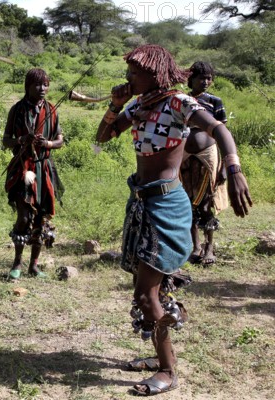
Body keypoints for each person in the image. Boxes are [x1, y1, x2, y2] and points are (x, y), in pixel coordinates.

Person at [95, 44, 252, 396]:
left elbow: (219, 130)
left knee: (145, 293)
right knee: (150, 287)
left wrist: (234, 168)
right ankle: (159, 352)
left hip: (167, 205)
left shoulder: (178, 103)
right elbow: (103, 136)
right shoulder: (138, 106)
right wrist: (116, 105)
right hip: (141, 203)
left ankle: (168, 369)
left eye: (134, 72)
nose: (129, 77)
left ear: (154, 73)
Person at [3, 68, 64, 279]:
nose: (42, 89)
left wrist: (46, 143)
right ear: (27, 86)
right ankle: (17, 262)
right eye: (38, 85)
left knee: (41, 218)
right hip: (23, 168)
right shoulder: (17, 110)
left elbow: (60, 140)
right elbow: (6, 140)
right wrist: (21, 141)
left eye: (46, 84)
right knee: (24, 215)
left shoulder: (52, 110)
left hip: (44, 168)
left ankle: (34, 265)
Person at [180, 61, 229, 265]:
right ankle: (196, 246)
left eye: (209, 78)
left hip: (208, 156)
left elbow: (224, 133)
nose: (206, 81)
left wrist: (225, 164)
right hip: (183, 155)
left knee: (207, 201)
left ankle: (209, 247)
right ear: (191, 79)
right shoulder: (181, 100)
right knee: (187, 200)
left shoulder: (214, 102)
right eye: (201, 78)